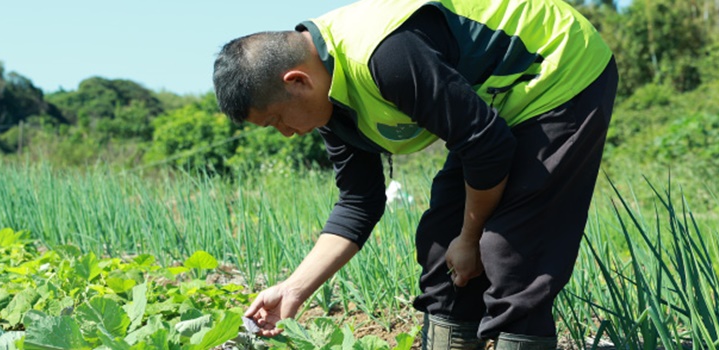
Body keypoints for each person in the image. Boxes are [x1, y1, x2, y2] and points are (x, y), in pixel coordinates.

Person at [212, 0, 617, 348]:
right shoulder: (331, 101)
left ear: (297, 81)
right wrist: (293, 289)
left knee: (511, 256)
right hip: (492, 110)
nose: (286, 133)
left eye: (277, 120)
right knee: (442, 247)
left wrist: (471, 236)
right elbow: (359, 203)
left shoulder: (385, 55)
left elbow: (487, 146)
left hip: (557, 72)